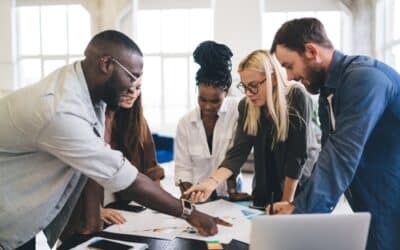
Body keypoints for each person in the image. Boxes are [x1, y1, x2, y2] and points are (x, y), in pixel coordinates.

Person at [0, 30, 228, 250]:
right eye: (133, 76)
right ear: (106, 64)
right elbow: (123, 176)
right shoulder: (61, 110)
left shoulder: (86, 89)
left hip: (19, 214)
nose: (133, 87)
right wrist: (191, 214)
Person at [267, 17, 400, 250]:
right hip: (373, 207)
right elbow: (328, 156)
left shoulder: (365, 79)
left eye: (288, 65)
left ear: (311, 51)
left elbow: (341, 155)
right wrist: (297, 204)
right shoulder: (329, 92)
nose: (289, 77)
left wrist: (300, 216)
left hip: (393, 206)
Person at [185, 49, 319, 209]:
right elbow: (238, 153)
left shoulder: (296, 96)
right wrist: (210, 183)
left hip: (297, 190)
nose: (248, 93)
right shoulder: (247, 106)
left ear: (273, 79)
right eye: (245, 86)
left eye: (254, 86)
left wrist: (285, 202)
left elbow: (297, 157)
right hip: (264, 191)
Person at [61, 79, 165, 239]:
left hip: (125, 211)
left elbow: (151, 170)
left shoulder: (137, 121)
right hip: (82, 218)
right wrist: (94, 209)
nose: (133, 94)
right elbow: (65, 183)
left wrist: (157, 203)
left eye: (138, 88)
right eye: (127, 88)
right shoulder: (82, 121)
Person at [175, 41, 251, 201]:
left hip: (230, 195)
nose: (208, 106)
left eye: (215, 101)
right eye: (202, 99)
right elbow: (183, 168)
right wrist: (190, 195)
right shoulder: (185, 123)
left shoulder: (238, 111)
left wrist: (231, 190)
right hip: (197, 196)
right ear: (196, 90)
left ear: (226, 92)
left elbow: (235, 154)